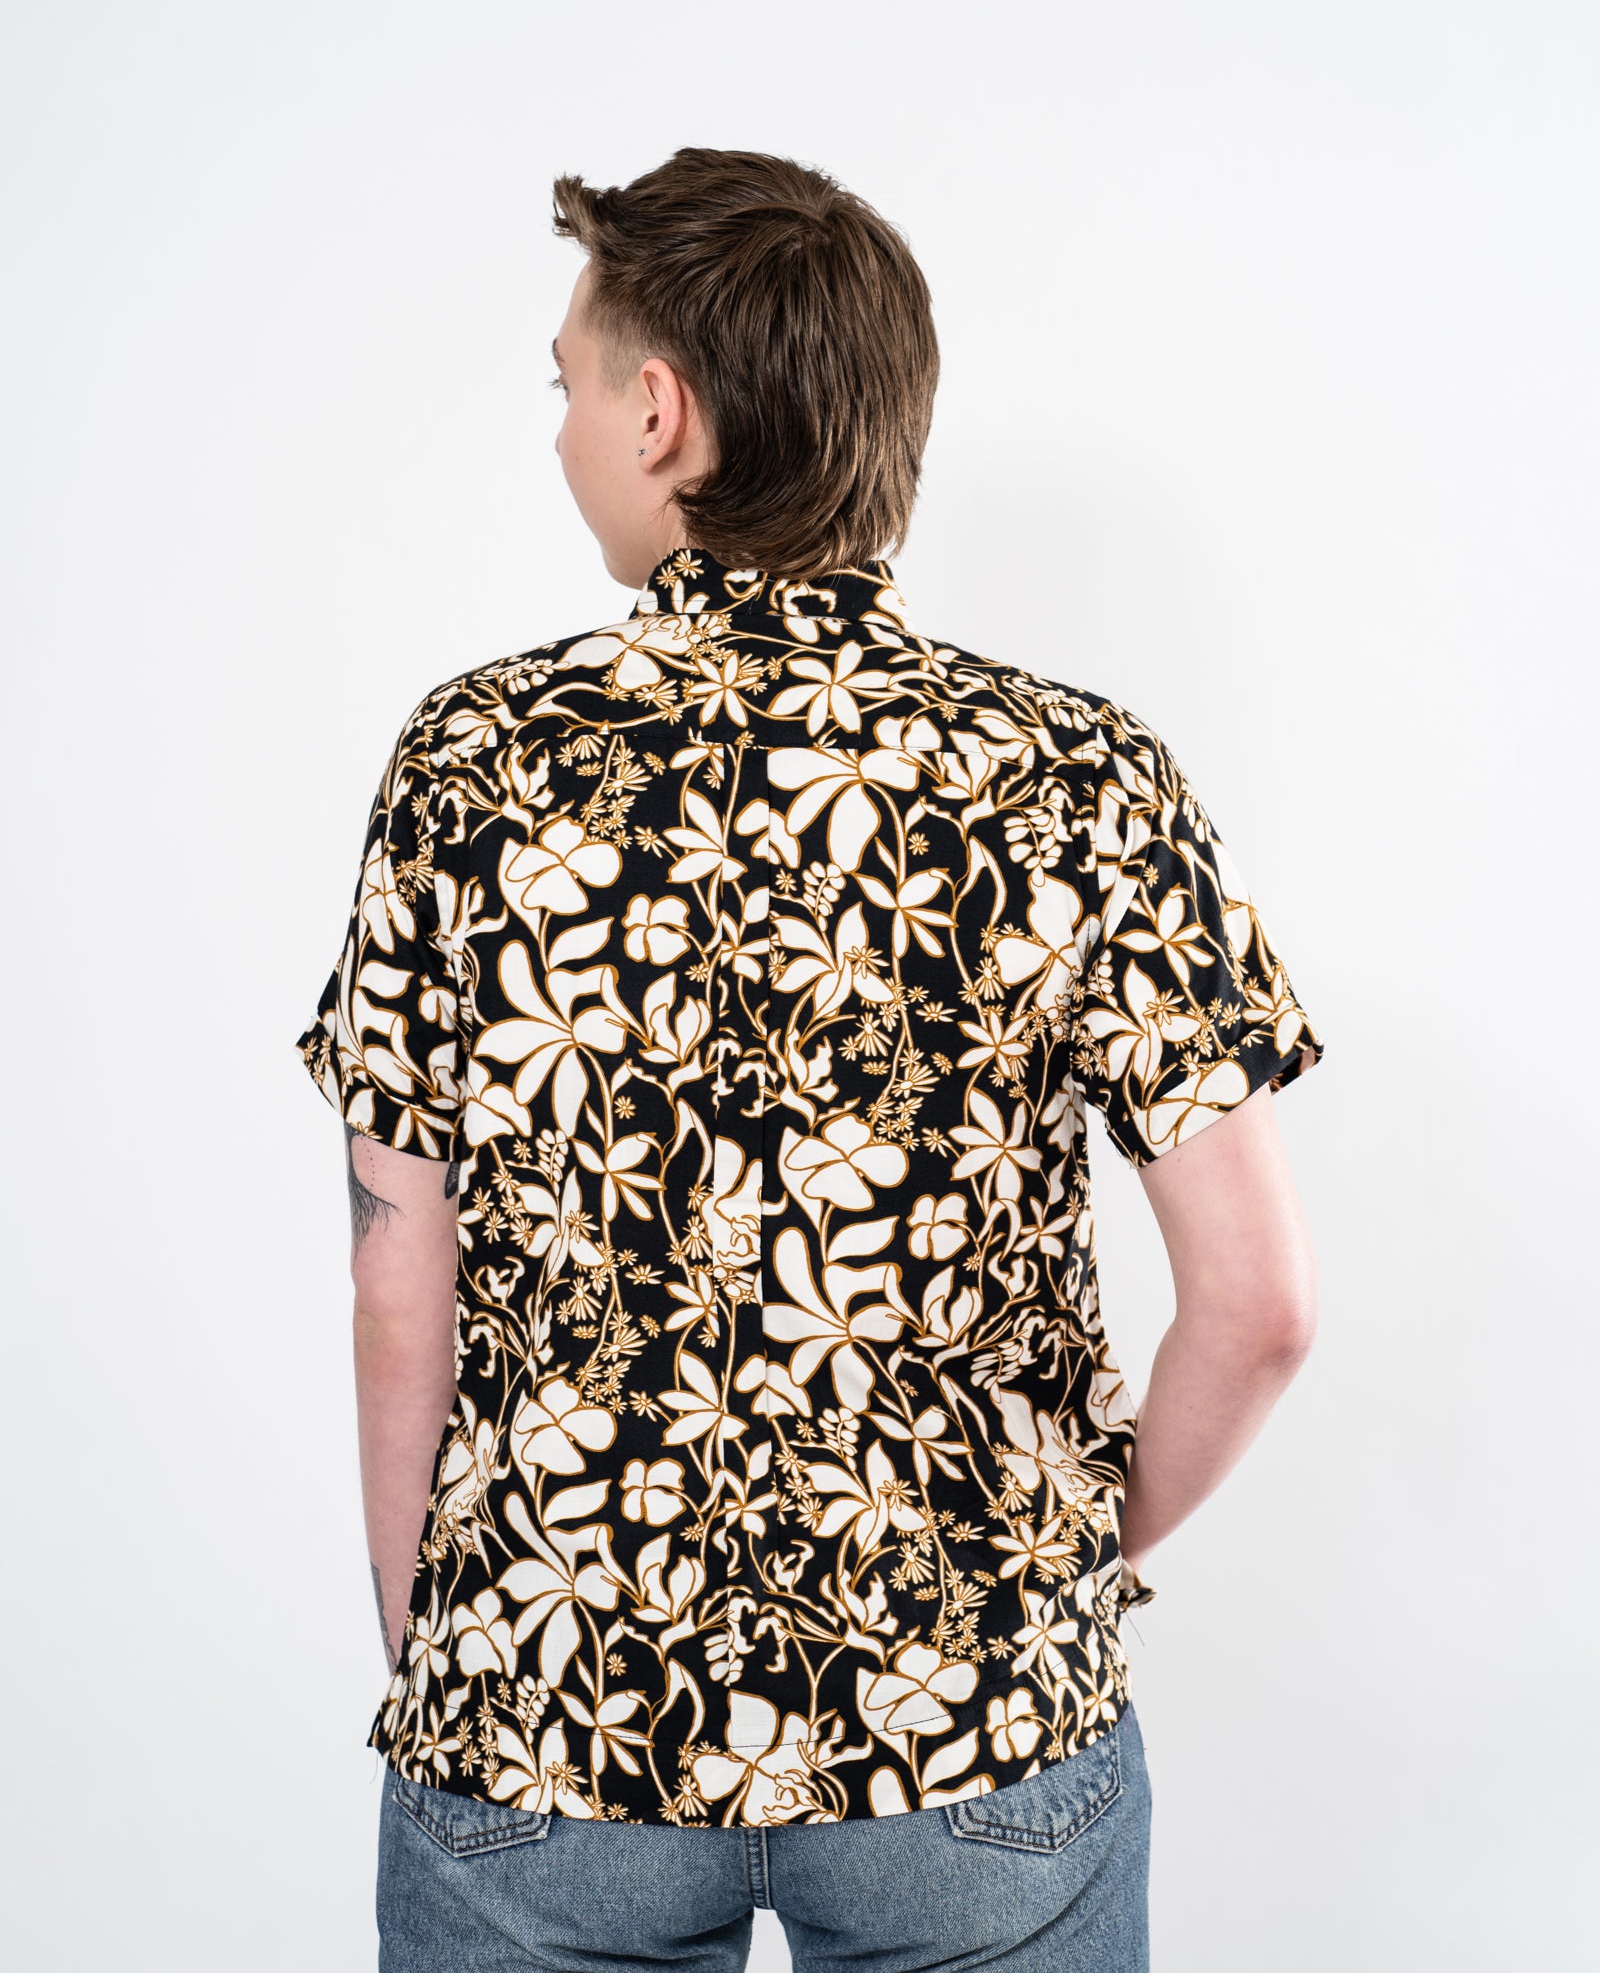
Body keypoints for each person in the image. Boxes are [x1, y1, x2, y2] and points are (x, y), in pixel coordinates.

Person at [294, 146, 1325, 1973]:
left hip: (549, 1702)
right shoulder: (1075, 772)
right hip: (973, 1729)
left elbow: (399, 1290)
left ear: (660, 413)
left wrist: (448, 1663)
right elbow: (1258, 1309)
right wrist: (1060, 1579)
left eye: (568, 379)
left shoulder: (474, 765)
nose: (558, 426)